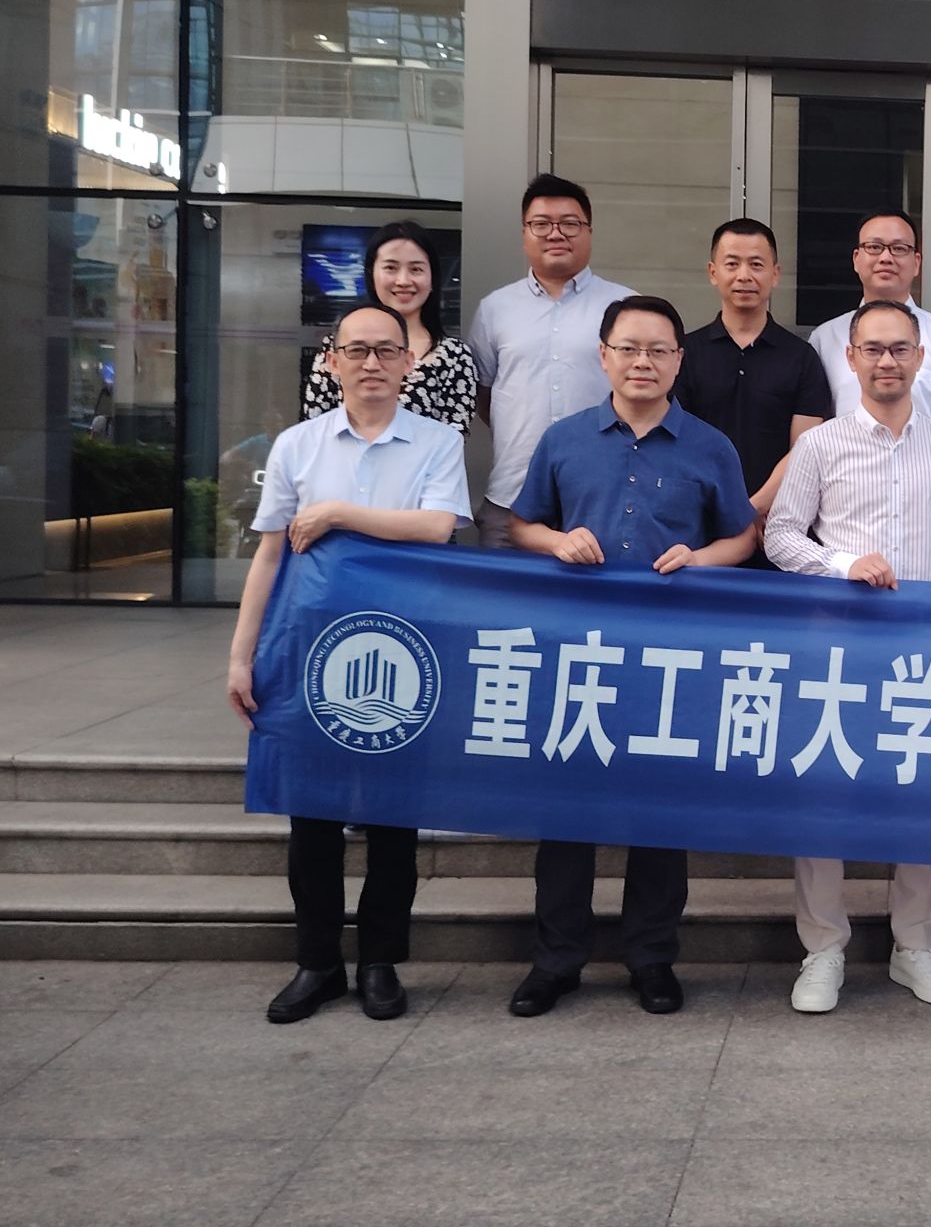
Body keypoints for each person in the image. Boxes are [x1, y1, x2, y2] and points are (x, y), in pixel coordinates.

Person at [503, 295, 758, 1019]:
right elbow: (521, 525)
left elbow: (743, 536)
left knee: (659, 815)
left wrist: (702, 558)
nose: (643, 362)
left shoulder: (710, 446)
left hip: (670, 660)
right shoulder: (564, 439)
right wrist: (557, 541)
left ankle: (651, 957)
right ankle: (556, 960)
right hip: (576, 654)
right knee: (567, 816)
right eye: (629, 348)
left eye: (658, 350)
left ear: (679, 359)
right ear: (604, 355)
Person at [225, 302, 471, 1024]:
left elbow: (436, 527)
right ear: (330, 360)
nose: (371, 363)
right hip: (307, 650)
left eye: (386, 351)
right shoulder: (298, 445)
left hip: (407, 649)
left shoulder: (436, 442)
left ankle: (380, 962)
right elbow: (268, 555)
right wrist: (241, 656)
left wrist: (336, 514)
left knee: (394, 817)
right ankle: (318, 963)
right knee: (312, 818)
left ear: (408, 363)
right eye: (356, 350)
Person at [764, 300, 931, 1014]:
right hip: (837, 649)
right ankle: (823, 948)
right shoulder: (820, 446)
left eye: (899, 349)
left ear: (920, 358)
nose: (886, 361)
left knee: (923, 799)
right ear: (851, 357)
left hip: (925, 656)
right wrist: (843, 563)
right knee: (824, 798)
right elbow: (780, 537)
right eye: (873, 349)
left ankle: (915, 944)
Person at [468, 174, 636, 548]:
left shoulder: (626, 307)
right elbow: (484, 395)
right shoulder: (495, 309)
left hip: (602, 500)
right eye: (542, 224)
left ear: (589, 231)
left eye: (570, 224)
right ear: (524, 233)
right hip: (512, 500)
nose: (556, 234)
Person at [677, 219, 834, 548]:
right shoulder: (684, 353)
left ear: (775, 274)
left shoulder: (801, 357)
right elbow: (677, 442)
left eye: (757, 264)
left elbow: (805, 450)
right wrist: (724, 513)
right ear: (713, 272)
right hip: (697, 521)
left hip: (776, 525)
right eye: (732, 264)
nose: (744, 275)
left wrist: (752, 509)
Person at [810, 209, 931, 446]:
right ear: (856, 259)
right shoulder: (826, 338)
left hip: (924, 468)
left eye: (899, 248)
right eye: (874, 247)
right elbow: (814, 427)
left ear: (916, 263)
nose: (886, 258)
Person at [303, 220, 479, 435]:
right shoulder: (339, 347)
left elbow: (451, 442)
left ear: (432, 279)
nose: (403, 280)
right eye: (391, 268)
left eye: (416, 269)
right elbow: (315, 432)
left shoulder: (455, 358)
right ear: (371, 275)